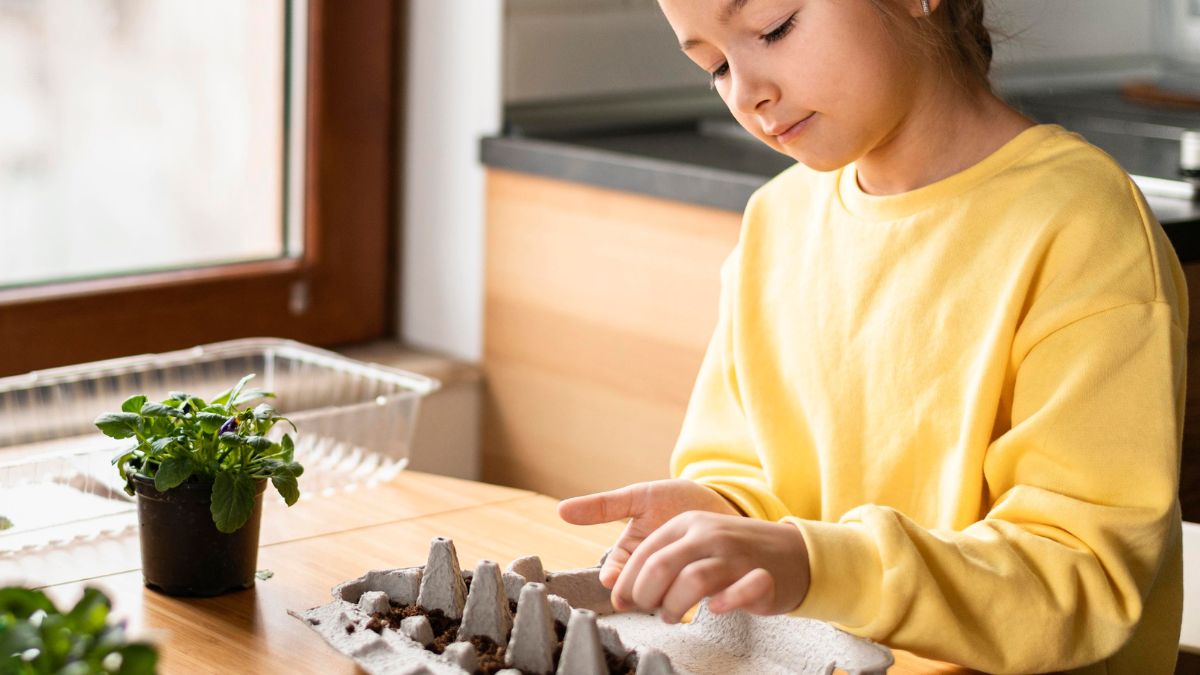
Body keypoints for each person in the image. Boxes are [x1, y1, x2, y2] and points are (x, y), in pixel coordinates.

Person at [556, 1, 1188, 673]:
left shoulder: (1079, 228)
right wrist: (720, 512)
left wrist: (815, 562)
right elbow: (750, 467)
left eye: (774, 28)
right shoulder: (779, 220)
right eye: (713, 66)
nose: (746, 92)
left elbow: (1080, 578)